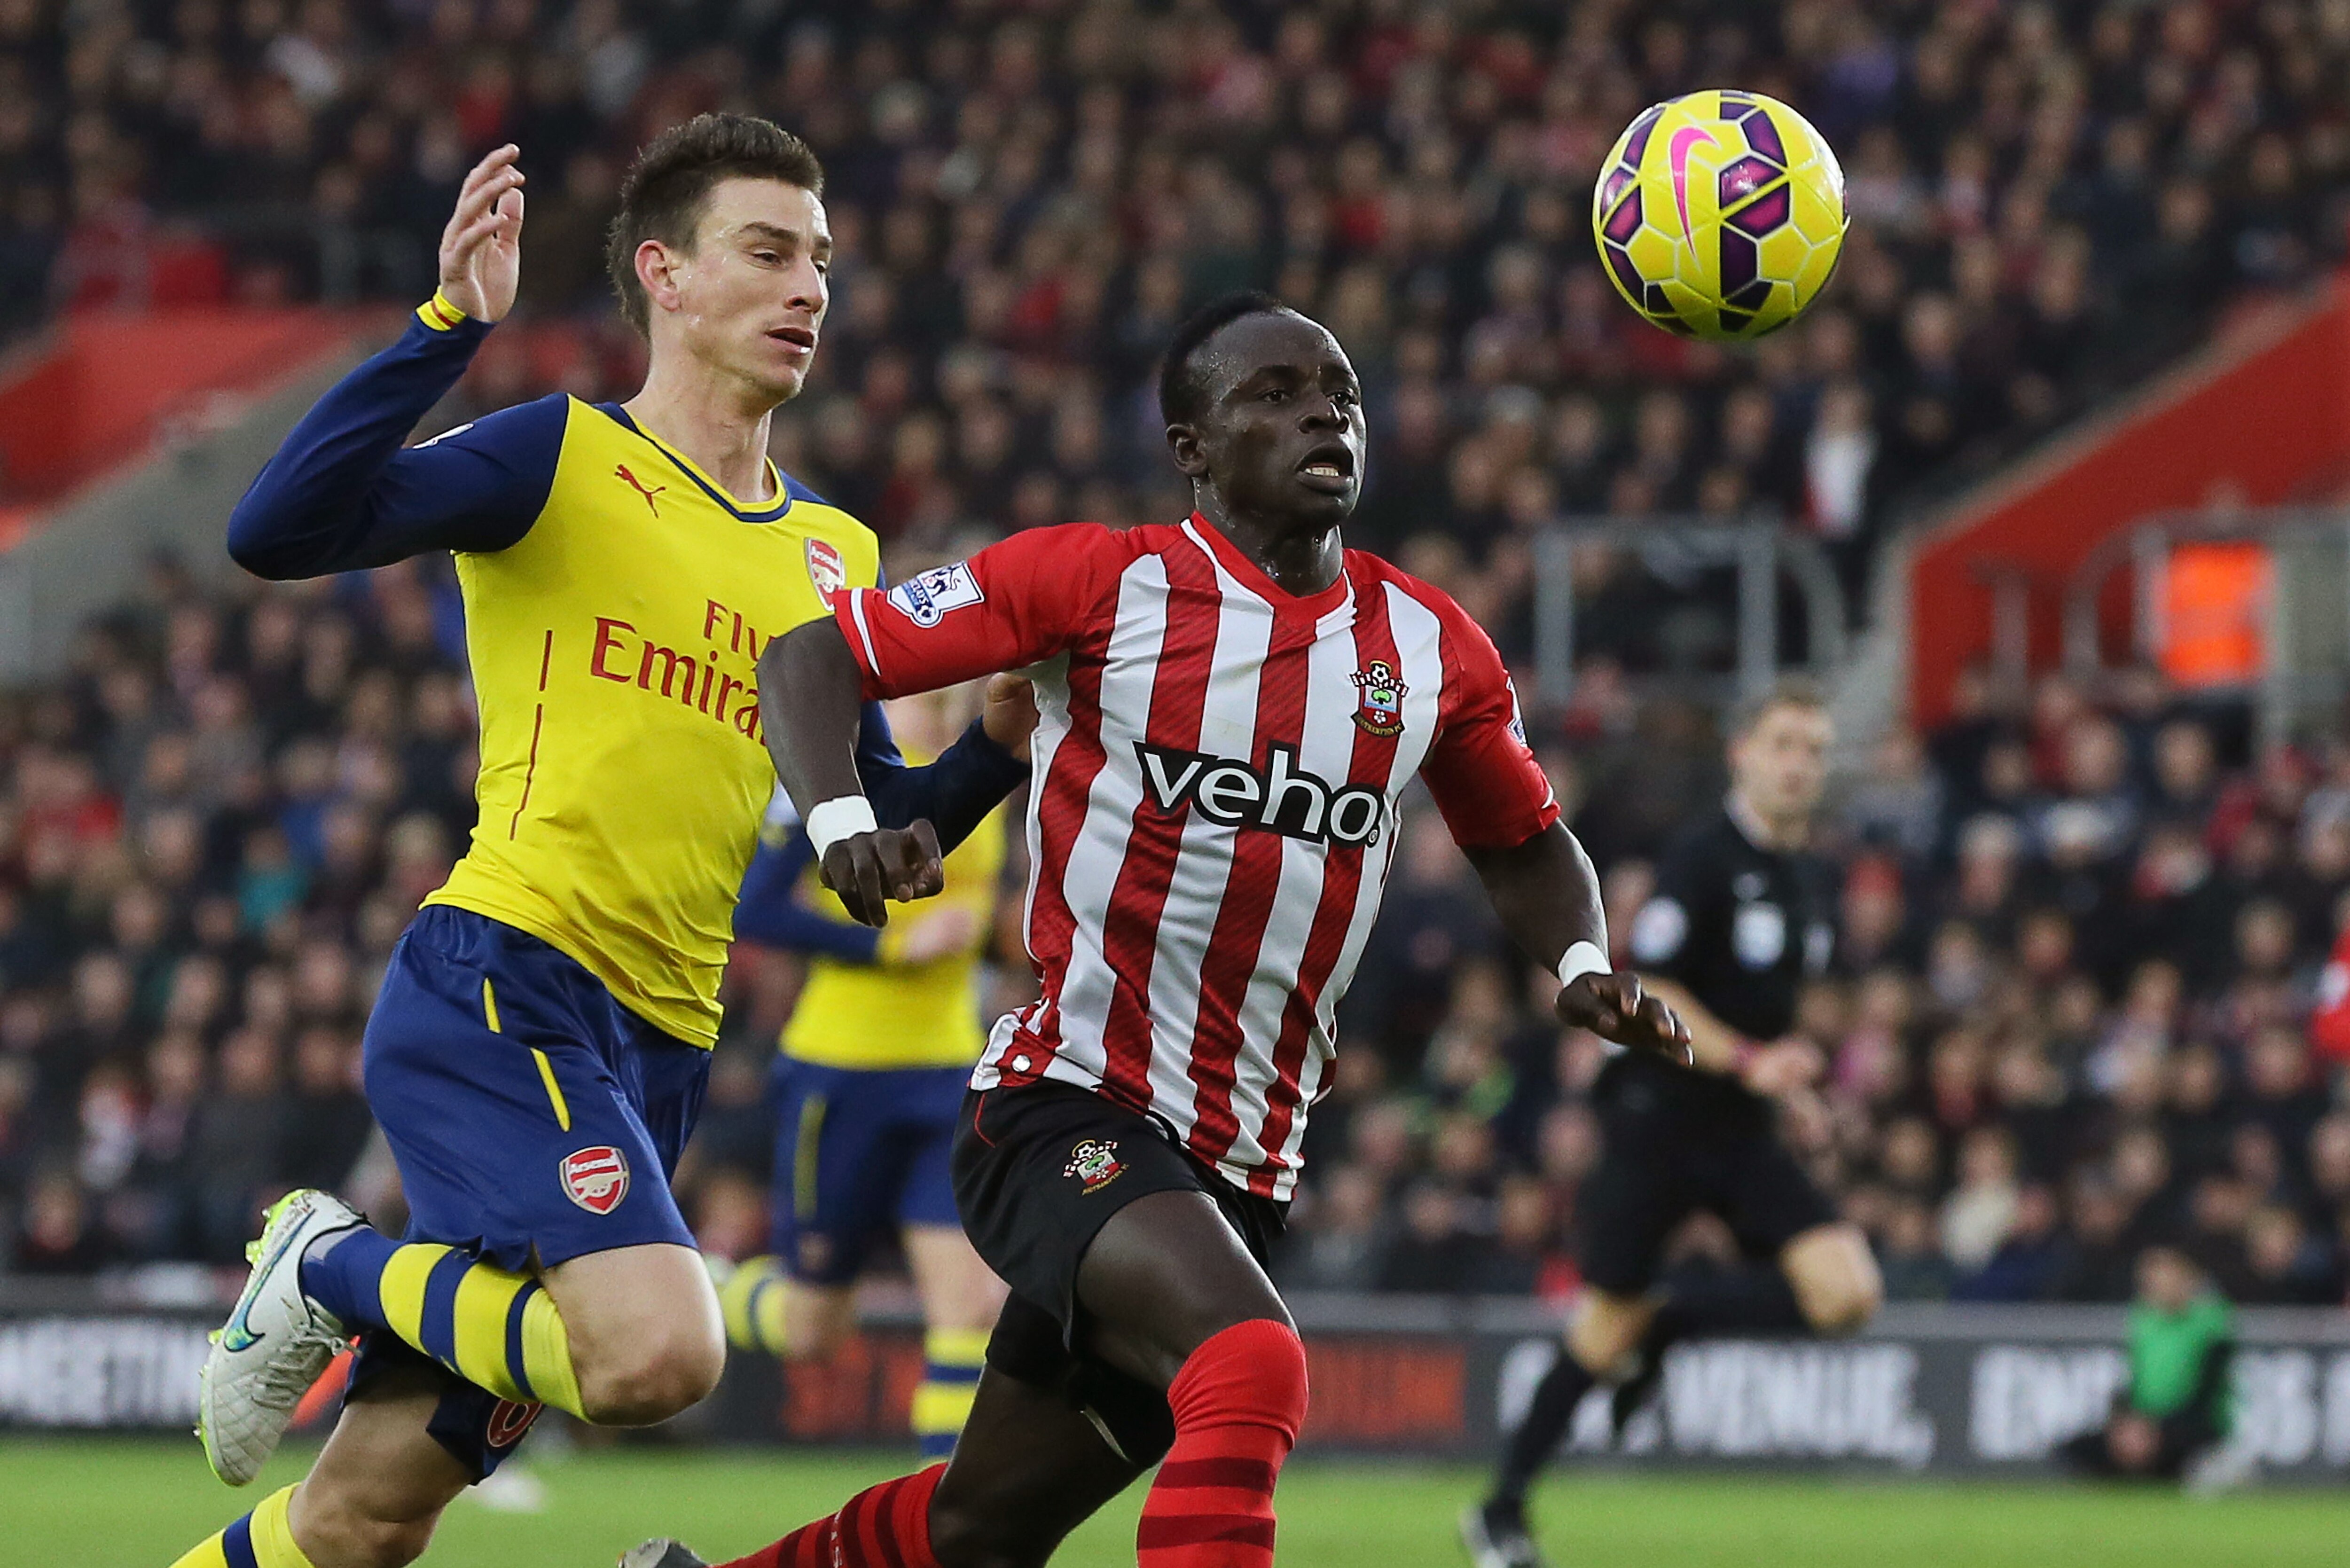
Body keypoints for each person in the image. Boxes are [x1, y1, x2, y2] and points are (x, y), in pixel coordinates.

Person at [623, 292, 1690, 1568]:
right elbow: (810, 656)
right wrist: (843, 817)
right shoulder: (1095, 582)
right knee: (1254, 1361)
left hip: (1244, 1163)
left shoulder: (1429, 645)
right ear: (1193, 446)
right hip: (1067, 1107)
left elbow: (1522, 838)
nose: (1323, 416)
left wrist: (1581, 961)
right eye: (1276, 395)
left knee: (980, 1529)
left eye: (1340, 395)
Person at [176, 114, 1031, 1568]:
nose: (809, 287)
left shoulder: (832, 553)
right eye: (767, 251)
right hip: (506, 980)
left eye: (821, 259)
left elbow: (880, 845)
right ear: (665, 276)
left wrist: (1000, 744)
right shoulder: (561, 454)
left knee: (362, 1520)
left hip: (658, 1054)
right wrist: (448, 327)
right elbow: (275, 529)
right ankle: (327, 1259)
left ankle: (343, 1286)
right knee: (658, 1354)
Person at [1466, 679, 1884, 1568]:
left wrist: (1792, 1088)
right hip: (1657, 1120)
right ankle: (1501, 1508)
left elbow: (1768, 1014)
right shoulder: (1702, 856)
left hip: (1742, 1128)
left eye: (1814, 750)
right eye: (1783, 745)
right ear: (1743, 754)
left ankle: (1673, 1323)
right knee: (1601, 1327)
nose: (1799, 765)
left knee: (1848, 1293)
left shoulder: (1812, 875)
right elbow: (1653, 986)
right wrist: (1751, 1060)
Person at [718, 681, 1013, 1460]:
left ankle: (943, 1509)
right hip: (842, 1073)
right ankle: (707, 1289)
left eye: (955, 695)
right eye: (929, 696)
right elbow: (757, 910)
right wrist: (887, 947)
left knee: (970, 1304)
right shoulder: (839, 783)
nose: (944, 708)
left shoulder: (989, 775)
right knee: (813, 1329)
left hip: (945, 1071)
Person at [2059, 1246, 2240, 1486]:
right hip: (2143, 1422)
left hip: (2191, 1424)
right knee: (2074, 1449)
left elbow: (2205, 1396)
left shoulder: (2211, 1324)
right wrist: (2125, 1424)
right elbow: (2129, 1382)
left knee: (2178, 1449)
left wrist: (2155, 1428)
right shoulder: (2142, 1322)